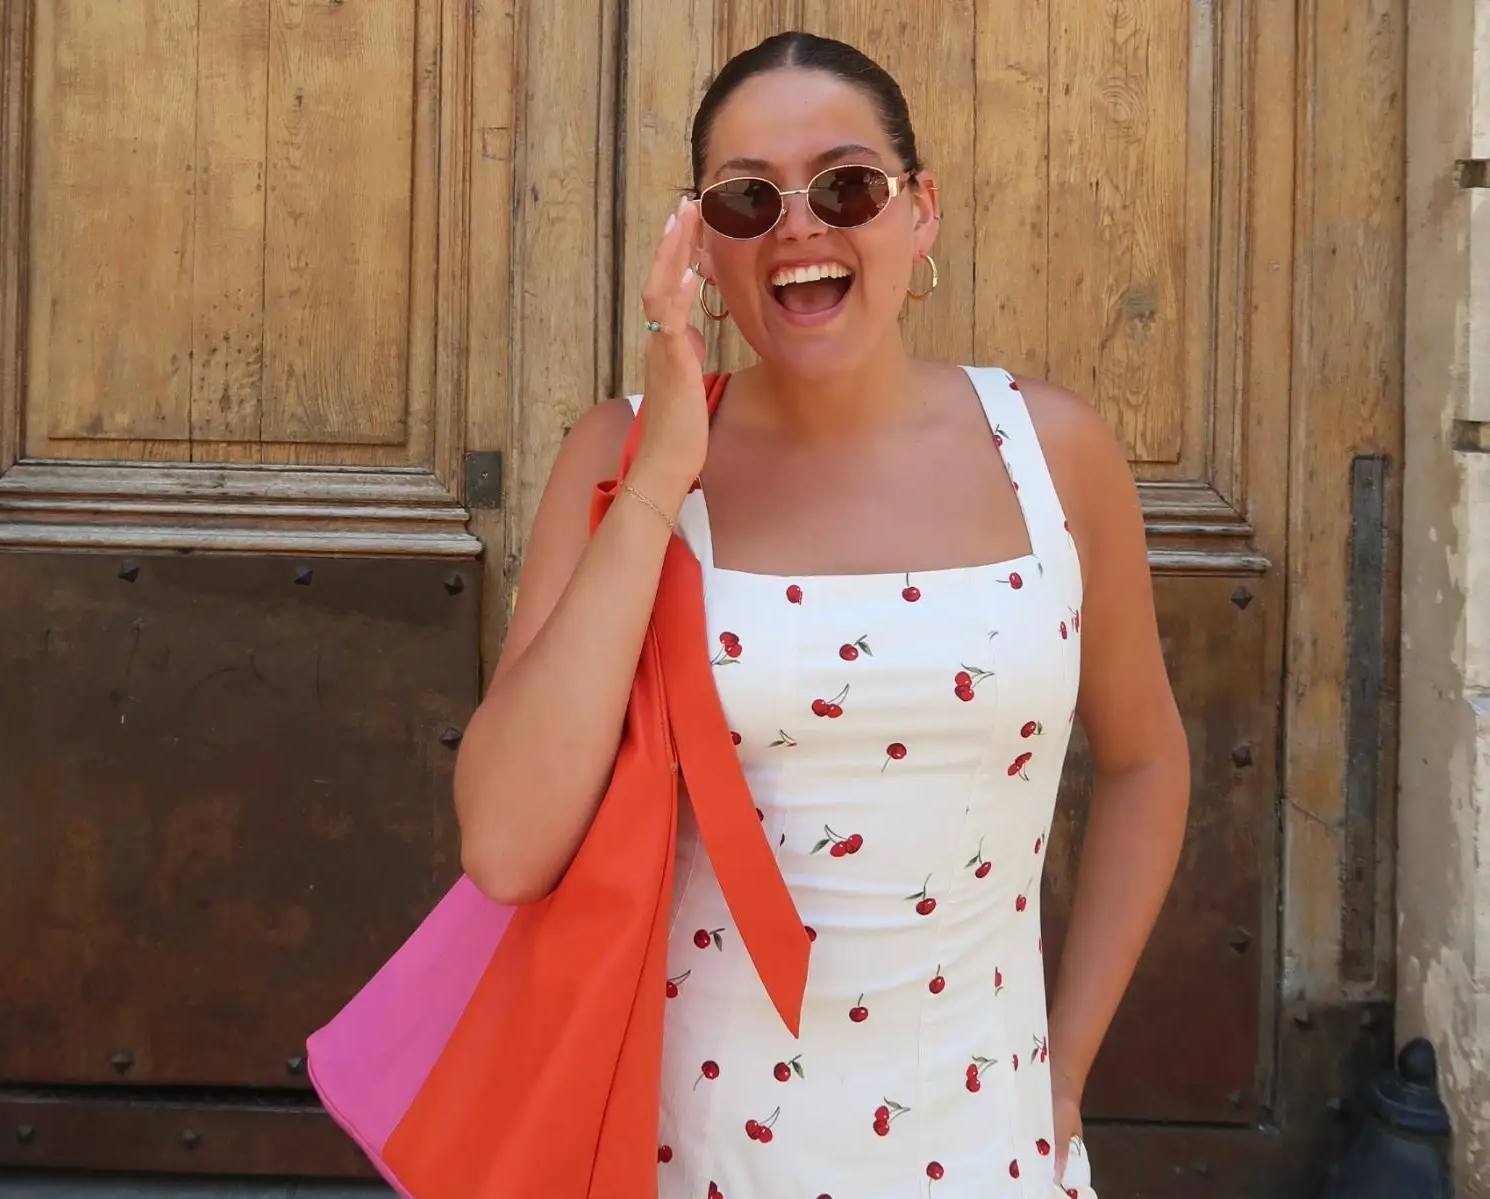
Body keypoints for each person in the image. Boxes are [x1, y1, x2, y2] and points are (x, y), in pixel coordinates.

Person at [452, 30, 1190, 1199]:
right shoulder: (621, 454)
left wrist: (1063, 1071)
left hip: (986, 1141)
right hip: (695, 1149)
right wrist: (658, 479)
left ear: (919, 211)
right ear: (703, 245)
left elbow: (1146, 758)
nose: (797, 226)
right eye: (747, 200)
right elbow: (504, 841)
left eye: (844, 186)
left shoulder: (1051, 452)